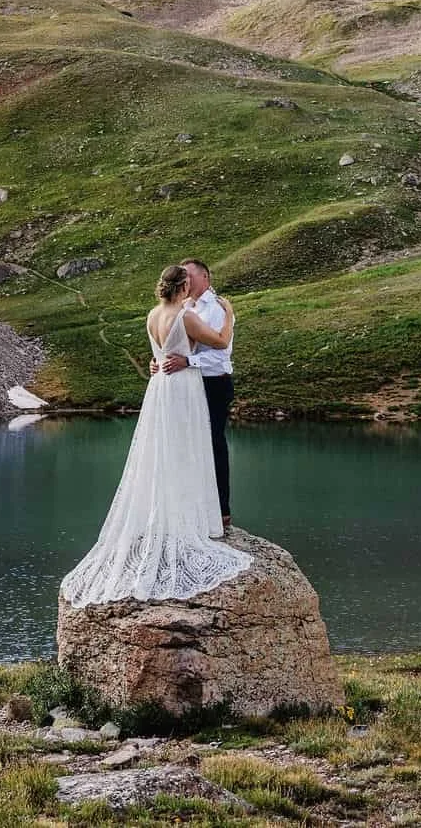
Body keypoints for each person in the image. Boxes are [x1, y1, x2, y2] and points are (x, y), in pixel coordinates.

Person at [59, 264, 251, 606]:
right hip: (185, 389)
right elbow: (221, 342)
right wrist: (231, 315)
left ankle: (167, 513)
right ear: (182, 287)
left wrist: (159, 361)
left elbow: (161, 352)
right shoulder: (187, 316)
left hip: (161, 388)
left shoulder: (151, 315)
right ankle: (192, 519)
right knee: (190, 448)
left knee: (165, 449)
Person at [152, 258, 234, 530]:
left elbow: (222, 354)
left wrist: (189, 362)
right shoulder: (183, 309)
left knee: (212, 445)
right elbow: (174, 347)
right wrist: (160, 361)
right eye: (183, 276)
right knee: (187, 447)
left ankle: (221, 510)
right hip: (186, 386)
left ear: (204, 277)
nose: (187, 280)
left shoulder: (218, 308)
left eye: (190, 275)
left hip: (212, 382)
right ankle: (190, 508)